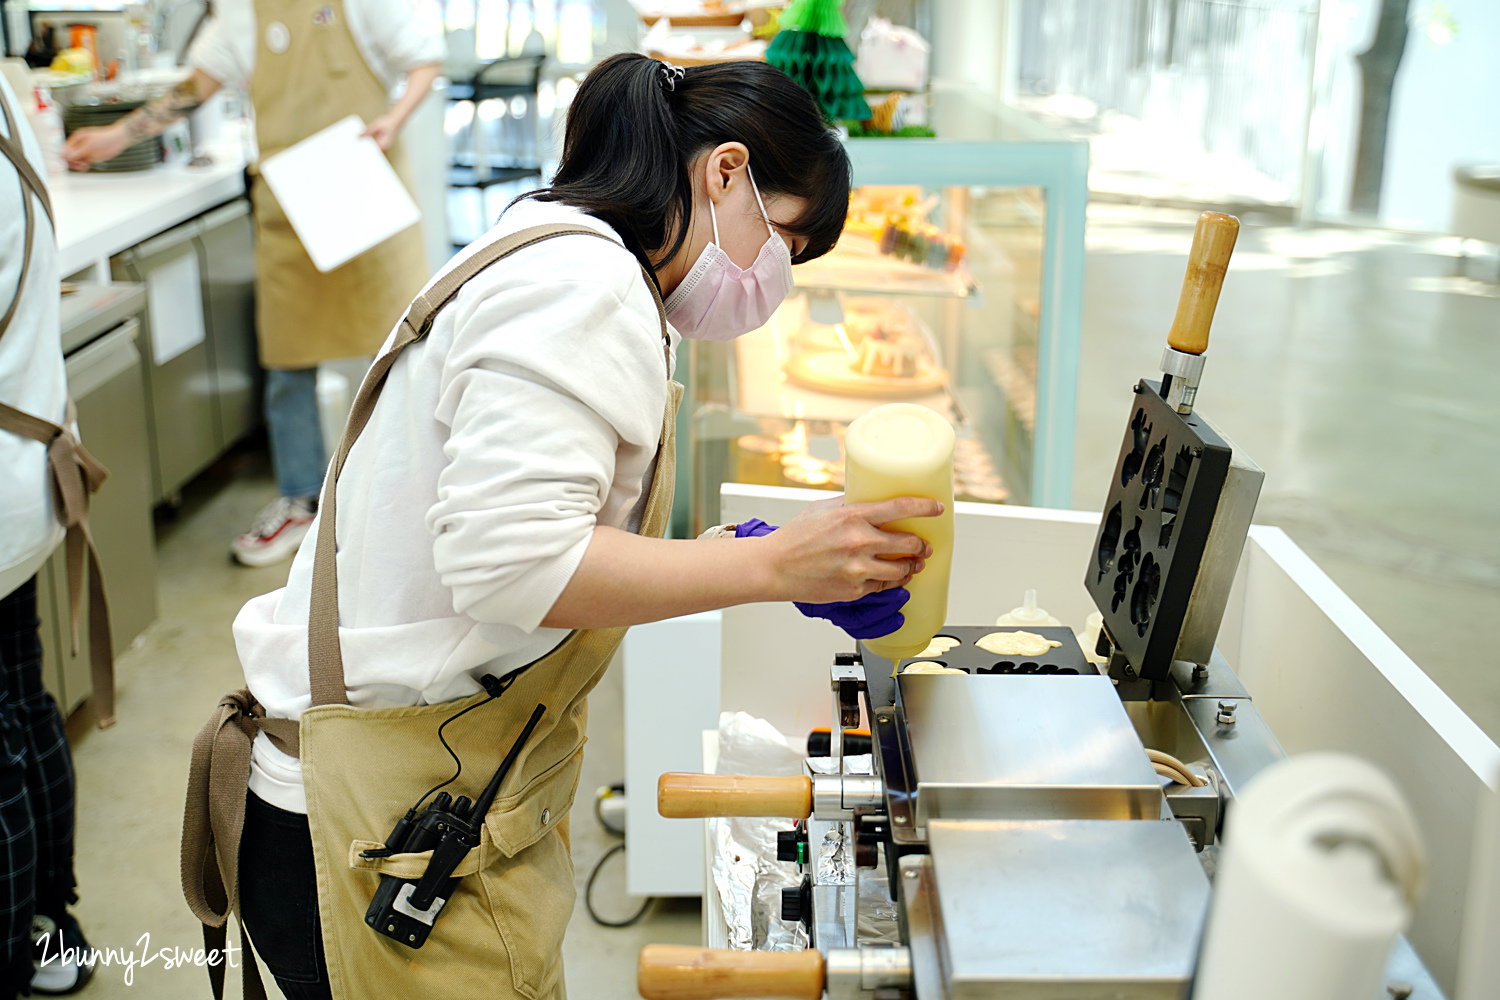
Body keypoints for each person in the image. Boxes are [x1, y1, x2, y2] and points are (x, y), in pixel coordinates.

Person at [183, 54, 940, 1000]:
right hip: (359, 821)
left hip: (409, 790)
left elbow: (522, 530)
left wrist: (738, 559)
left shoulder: (563, 253)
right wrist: (778, 568)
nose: (771, 279)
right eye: (782, 240)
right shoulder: (582, 282)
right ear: (726, 171)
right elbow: (511, 566)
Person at [62, 0, 444, 567]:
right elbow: (197, 85)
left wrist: (396, 116)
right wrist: (117, 136)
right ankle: (302, 500)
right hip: (289, 207)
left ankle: (413, 498)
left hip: (365, 195)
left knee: (397, 354)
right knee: (287, 364)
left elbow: (426, 61)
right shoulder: (243, 10)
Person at [0, 76, 96, 998]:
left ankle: (15, 948)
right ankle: (49, 915)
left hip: (4, 486)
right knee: (22, 705)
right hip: (24, 473)